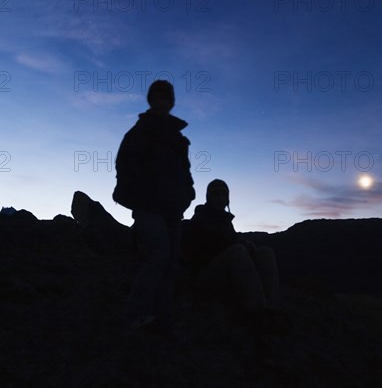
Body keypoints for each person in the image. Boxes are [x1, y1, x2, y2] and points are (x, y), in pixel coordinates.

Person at [113, 80, 195, 337]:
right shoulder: (140, 132)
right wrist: (144, 195)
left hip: (173, 208)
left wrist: (188, 193)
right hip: (149, 208)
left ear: (171, 101)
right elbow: (124, 166)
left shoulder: (178, 138)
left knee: (170, 263)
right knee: (157, 256)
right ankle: (135, 314)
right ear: (151, 100)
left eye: (166, 97)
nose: (162, 101)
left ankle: (162, 317)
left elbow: (185, 171)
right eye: (157, 97)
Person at [182, 179, 287, 338]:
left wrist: (245, 244)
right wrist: (238, 244)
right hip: (204, 275)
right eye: (215, 194)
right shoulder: (200, 219)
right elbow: (206, 250)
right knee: (238, 251)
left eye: (223, 194)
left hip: (225, 269)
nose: (220, 198)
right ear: (208, 198)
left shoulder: (225, 221)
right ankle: (256, 312)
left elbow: (231, 240)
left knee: (265, 252)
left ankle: (271, 307)